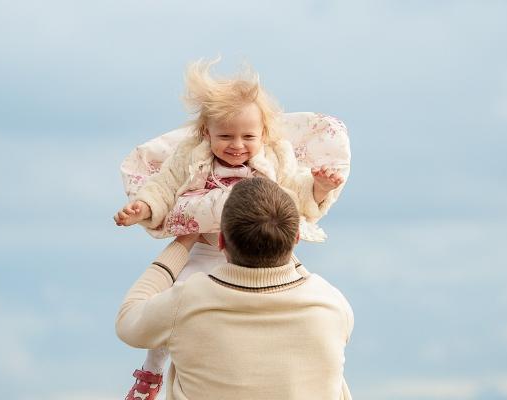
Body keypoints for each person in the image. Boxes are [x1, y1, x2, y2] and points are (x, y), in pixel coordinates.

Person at [113, 59, 346, 399]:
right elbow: (164, 186)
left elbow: (295, 191)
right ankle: (152, 369)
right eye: (225, 136)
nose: (237, 145)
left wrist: (319, 188)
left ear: (264, 134)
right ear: (205, 133)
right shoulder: (191, 157)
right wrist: (144, 208)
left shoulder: (275, 157)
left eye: (248, 136)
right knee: (172, 299)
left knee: (174, 308)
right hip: (204, 248)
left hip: (257, 249)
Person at [116, 177, 354, 400]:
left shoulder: (188, 301)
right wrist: (279, 241)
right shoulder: (332, 304)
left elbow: (128, 321)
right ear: (296, 238)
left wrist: (183, 242)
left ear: (220, 242)